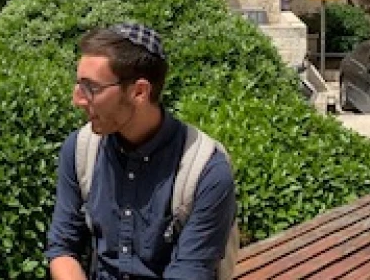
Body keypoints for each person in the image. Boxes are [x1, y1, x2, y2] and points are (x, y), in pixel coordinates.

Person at [46, 24, 237, 279]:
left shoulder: (205, 171)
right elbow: (62, 248)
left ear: (139, 92)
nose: (77, 100)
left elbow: (190, 272)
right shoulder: (81, 149)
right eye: (79, 85)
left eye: (91, 88)